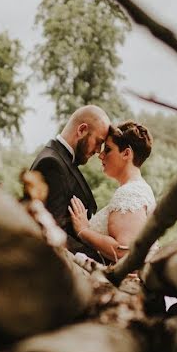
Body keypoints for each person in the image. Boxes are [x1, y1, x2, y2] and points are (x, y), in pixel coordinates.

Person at [68, 120, 155, 264]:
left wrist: (83, 231)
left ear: (126, 153)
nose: (100, 155)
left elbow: (123, 251)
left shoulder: (130, 193)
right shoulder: (139, 188)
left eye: (107, 149)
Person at [29, 105, 111, 258]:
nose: (99, 150)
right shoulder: (51, 164)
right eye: (98, 142)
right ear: (81, 130)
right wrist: (98, 261)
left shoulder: (61, 160)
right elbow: (51, 232)